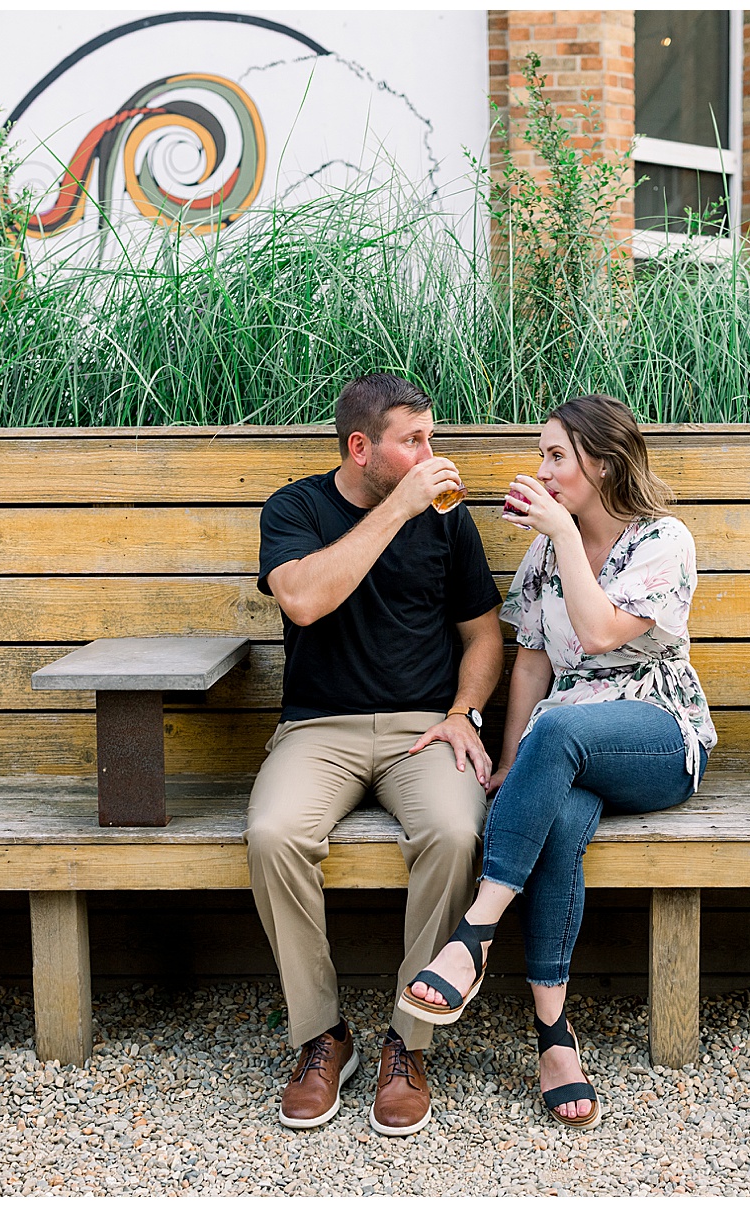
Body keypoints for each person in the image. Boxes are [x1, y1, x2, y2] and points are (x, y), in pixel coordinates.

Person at [397, 393, 716, 1130]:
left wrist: (563, 536)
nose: (541, 469)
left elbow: (601, 634)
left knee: (562, 731)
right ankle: (554, 1036)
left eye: (556, 457)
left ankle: (474, 933)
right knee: (560, 817)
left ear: (601, 465)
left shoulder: (663, 541)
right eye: (542, 455)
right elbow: (534, 667)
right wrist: (512, 764)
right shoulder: (545, 550)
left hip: (658, 737)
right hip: (563, 746)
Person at [248, 373, 503, 1137]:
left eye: (432, 437)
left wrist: (464, 713)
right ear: (361, 448)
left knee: (456, 834)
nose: (432, 454)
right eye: (413, 440)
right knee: (272, 834)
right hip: (317, 728)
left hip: (425, 726)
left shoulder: (450, 522)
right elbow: (303, 599)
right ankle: (321, 1034)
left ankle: (408, 1042)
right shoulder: (295, 508)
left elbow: (484, 633)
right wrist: (399, 506)